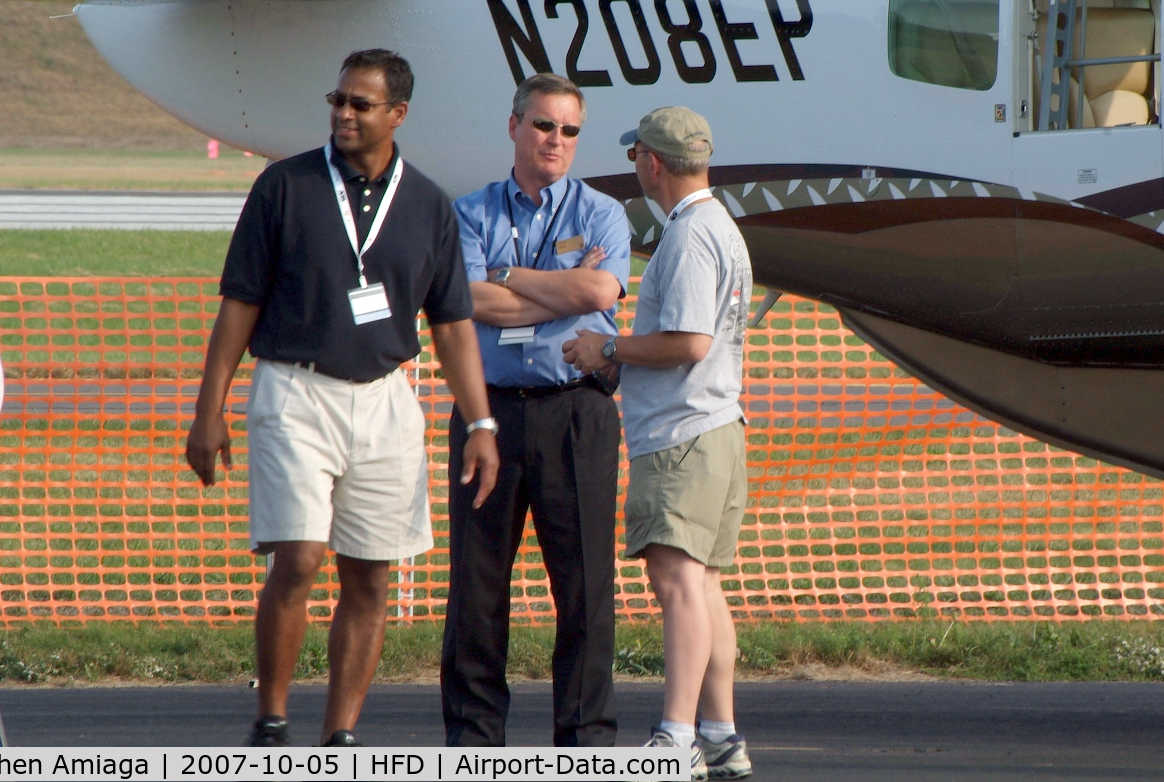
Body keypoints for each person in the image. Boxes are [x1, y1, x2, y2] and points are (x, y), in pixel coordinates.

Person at [186, 49, 500, 748]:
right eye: (338, 99)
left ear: (398, 115)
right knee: (297, 558)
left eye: (361, 104)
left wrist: (480, 421)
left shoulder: (428, 203)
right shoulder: (284, 186)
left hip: (387, 398)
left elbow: (451, 326)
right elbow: (239, 305)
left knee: (370, 575)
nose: (344, 114)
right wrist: (208, 412)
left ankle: (340, 736)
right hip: (296, 389)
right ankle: (271, 718)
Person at [444, 73, 634, 747]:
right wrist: (560, 292)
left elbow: (599, 288)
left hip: (574, 413)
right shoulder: (470, 213)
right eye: (544, 124)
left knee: (584, 589)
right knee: (476, 589)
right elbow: (467, 302)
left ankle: (585, 743)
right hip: (487, 412)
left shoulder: (603, 212)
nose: (556, 139)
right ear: (514, 126)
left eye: (569, 129)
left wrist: (506, 276)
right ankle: (473, 742)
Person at [563, 107, 753, 782]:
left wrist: (606, 347)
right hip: (715, 429)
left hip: (683, 433)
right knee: (702, 587)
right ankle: (721, 733)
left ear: (652, 163)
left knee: (677, 584)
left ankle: (677, 736)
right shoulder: (717, 226)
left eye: (637, 155)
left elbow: (690, 342)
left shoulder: (691, 235)